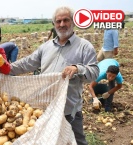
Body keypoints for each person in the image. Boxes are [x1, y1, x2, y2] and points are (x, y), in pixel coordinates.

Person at [9, 6, 99, 145]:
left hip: (69, 110)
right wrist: (5, 68)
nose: (62, 24)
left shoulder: (84, 46)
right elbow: (27, 63)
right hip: (46, 108)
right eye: (58, 21)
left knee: (77, 141)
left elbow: (94, 73)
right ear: (54, 24)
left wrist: (77, 68)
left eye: (65, 20)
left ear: (73, 22)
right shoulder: (46, 47)